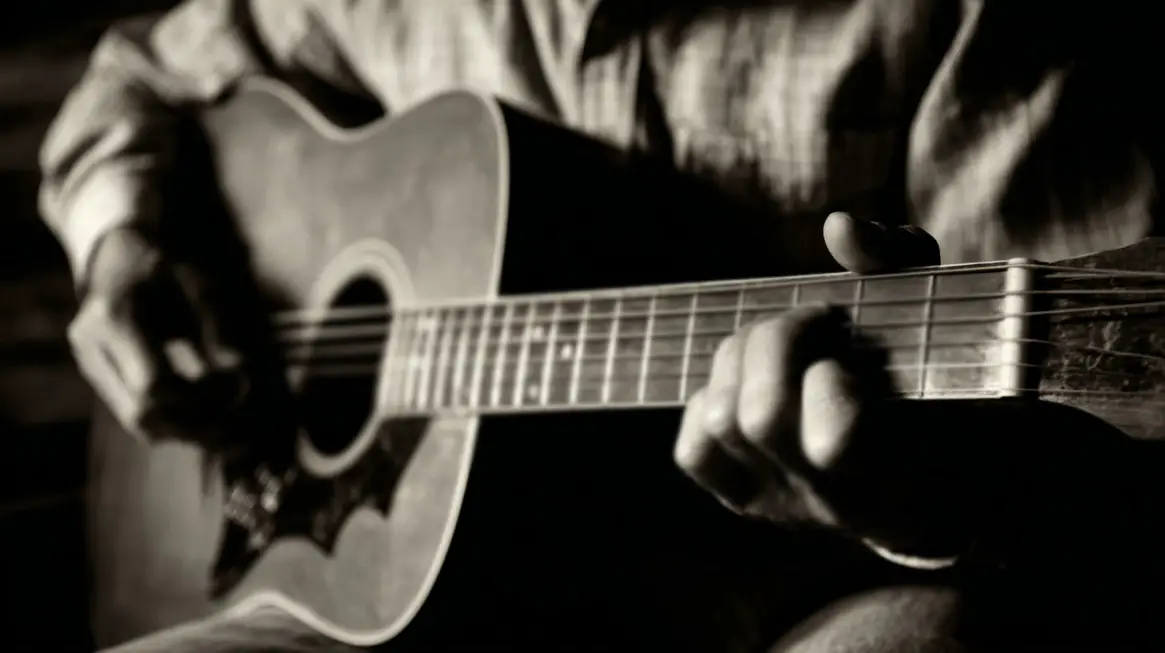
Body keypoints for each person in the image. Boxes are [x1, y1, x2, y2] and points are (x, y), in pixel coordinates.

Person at [39, 0, 1165, 651]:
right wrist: (116, 237)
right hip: (393, 592)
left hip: (808, 581)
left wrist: (933, 492)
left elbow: (1097, 504)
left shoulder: (964, 23)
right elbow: (132, 74)